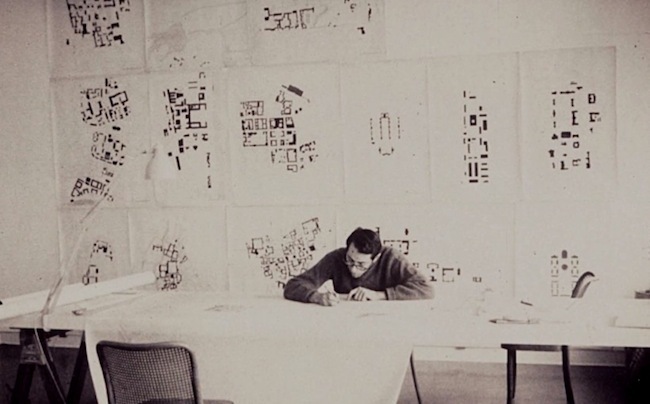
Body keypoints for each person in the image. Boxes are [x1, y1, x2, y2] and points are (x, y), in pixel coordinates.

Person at [283, 227, 433, 306]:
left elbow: (426, 288)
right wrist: (316, 297)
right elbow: (293, 285)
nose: (353, 269)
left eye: (361, 264)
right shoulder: (336, 258)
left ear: (376, 259)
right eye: (350, 260)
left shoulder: (391, 258)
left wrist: (379, 295)